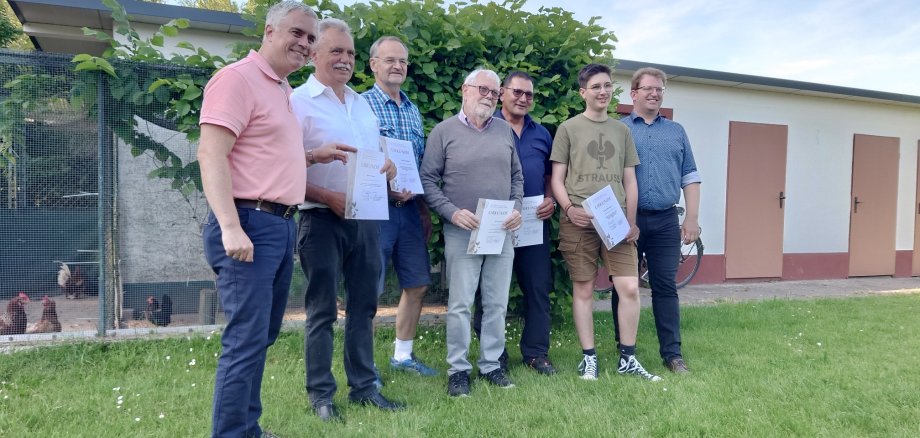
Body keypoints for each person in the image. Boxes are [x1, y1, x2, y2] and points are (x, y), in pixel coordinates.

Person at [197, 2, 347, 436]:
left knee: (260, 337)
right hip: (249, 223)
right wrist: (229, 226)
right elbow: (211, 153)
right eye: (296, 33)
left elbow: (259, 153)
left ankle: (249, 429)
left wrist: (309, 156)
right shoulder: (237, 79)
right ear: (269, 31)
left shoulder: (280, 87)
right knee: (245, 341)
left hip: (281, 224)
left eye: (310, 38)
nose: (304, 44)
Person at [290, 18, 400, 422]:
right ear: (314, 54)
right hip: (320, 219)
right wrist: (325, 197)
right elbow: (284, 170)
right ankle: (321, 395)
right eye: (336, 51)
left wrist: (385, 167)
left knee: (364, 307)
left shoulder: (361, 104)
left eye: (351, 53)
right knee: (321, 311)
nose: (345, 59)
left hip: (366, 219)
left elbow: (367, 158)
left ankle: (364, 387)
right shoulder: (297, 102)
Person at [549, 63, 661, 382]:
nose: (603, 91)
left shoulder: (622, 130)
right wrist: (569, 209)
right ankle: (589, 358)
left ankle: (628, 358)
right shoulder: (568, 129)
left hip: (615, 222)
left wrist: (631, 220)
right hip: (579, 220)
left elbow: (630, 179)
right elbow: (557, 179)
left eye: (608, 85)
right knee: (583, 289)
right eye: (596, 86)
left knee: (628, 287)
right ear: (583, 92)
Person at [420, 68, 524, 397]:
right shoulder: (443, 131)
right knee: (461, 304)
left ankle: (492, 365)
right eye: (483, 90)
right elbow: (426, 180)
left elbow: (517, 178)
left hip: (500, 230)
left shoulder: (505, 131)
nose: (489, 97)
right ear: (465, 90)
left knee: (496, 303)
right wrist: (451, 212)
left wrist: (517, 208)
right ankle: (458, 370)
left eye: (495, 93)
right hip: (462, 230)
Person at [613, 67, 701, 374]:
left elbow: (690, 176)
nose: (655, 93)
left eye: (660, 89)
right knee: (624, 287)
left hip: (664, 220)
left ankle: (672, 355)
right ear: (633, 94)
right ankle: (624, 351)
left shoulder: (676, 132)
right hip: (628, 221)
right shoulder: (619, 129)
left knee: (665, 286)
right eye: (648, 88)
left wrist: (691, 218)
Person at [362, 36, 438, 377]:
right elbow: (359, 160)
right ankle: (363, 366)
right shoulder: (361, 106)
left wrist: (421, 205)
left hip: (409, 209)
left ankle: (403, 356)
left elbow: (417, 162)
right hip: (375, 208)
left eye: (403, 61)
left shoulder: (412, 109)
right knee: (368, 287)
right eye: (390, 60)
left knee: (418, 282)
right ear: (373, 64)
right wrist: (385, 188)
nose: (397, 66)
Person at [472, 71, 556, 375]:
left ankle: (536, 353)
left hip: (533, 220)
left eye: (529, 95)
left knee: (537, 287)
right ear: (502, 93)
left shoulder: (542, 134)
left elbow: (550, 175)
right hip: (495, 220)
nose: (523, 99)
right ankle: (494, 354)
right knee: (490, 290)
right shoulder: (484, 126)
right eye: (517, 92)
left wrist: (550, 198)